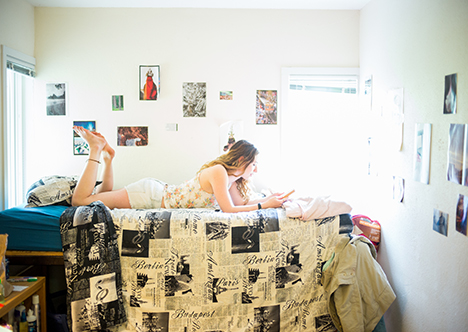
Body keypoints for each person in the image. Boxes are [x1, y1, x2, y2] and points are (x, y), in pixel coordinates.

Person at [71, 126, 286, 213]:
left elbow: (240, 204)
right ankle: (96, 150)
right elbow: (229, 211)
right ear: (242, 160)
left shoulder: (231, 179)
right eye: (254, 164)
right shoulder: (220, 172)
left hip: (156, 192)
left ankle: (109, 158)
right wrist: (265, 204)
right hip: (150, 196)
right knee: (80, 202)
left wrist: (270, 201)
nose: (256, 170)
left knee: (99, 199)